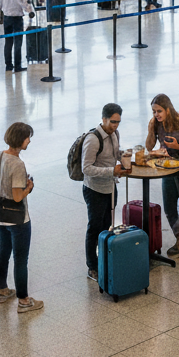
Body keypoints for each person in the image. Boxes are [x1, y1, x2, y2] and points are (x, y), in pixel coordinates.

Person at [0, 122, 43, 313]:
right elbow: (17, 196)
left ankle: (3, 291)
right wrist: (28, 187)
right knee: (21, 259)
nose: (29, 141)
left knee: (3, 251)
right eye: (28, 137)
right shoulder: (17, 163)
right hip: (18, 219)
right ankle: (24, 300)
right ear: (21, 140)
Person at [145, 94, 179, 256]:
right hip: (168, 168)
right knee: (169, 206)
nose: (156, 115)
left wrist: (178, 146)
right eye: (154, 112)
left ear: (168, 109)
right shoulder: (156, 124)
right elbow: (149, 147)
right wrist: (151, 131)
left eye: (159, 111)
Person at [81, 103, 125, 281]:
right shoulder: (93, 139)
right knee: (94, 228)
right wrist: (111, 171)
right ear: (104, 119)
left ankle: (104, 259)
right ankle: (92, 266)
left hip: (110, 188)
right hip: (94, 190)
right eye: (113, 122)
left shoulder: (115, 134)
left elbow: (115, 154)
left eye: (118, 122)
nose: (115, 126)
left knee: (107, 225)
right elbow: (86, 168)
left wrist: (126, 157)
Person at [0, 0, 31, 72]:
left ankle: (8, 65)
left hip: (7, 19)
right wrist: (31, 12)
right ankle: (17, 66)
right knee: (18, 43)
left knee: (8, 43)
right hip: (17, 19)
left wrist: (0, 17)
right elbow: (26, 7)